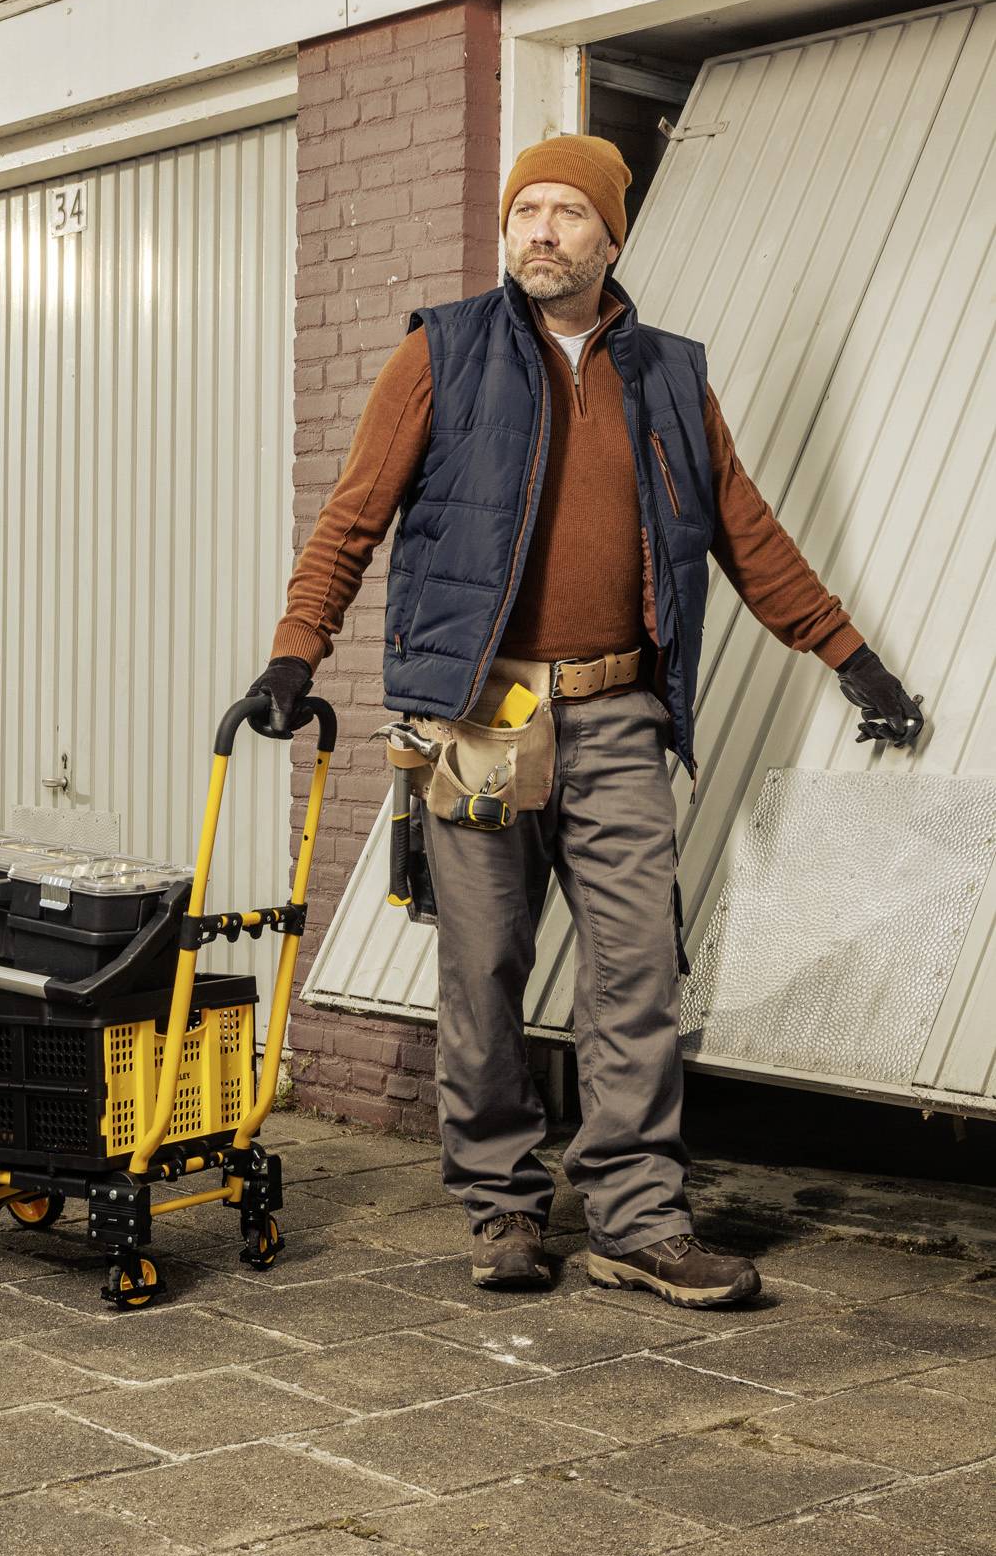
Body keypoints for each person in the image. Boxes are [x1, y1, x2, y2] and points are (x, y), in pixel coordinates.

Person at [248, 134, 925, 1309]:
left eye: (567, 213)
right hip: (479, 715)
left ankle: (635, 1215)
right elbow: (352, 518)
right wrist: (291, 655)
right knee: (484, 966)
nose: (541, 232)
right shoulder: (440, 353)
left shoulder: (666, 373)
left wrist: (846, 653)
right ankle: (505, 1202)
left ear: (611, 238)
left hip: (615, 707)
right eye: (526, 212)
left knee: (637, 967)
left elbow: (746, 533)